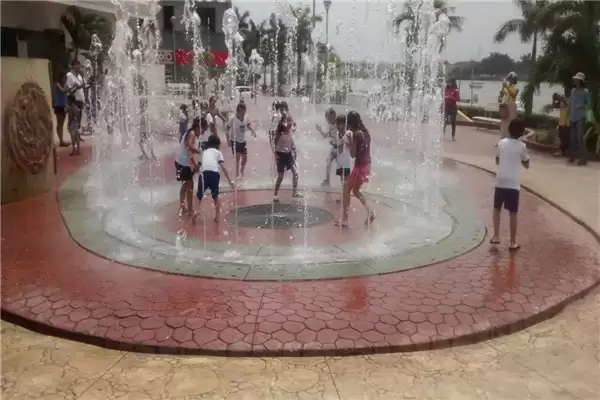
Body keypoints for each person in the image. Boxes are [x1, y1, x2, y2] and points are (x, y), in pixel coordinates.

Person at [490, 119, 530, 251]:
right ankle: (512, 242)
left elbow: (497, 160)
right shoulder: (522, 146)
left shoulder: (501, 143)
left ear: (509, 130)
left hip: (500, 181)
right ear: (522, 132)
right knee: (513, 212)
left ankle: (496, 236)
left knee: (497, 209)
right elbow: (526, 164)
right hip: (513, 183)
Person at [336, 111, 375, 227]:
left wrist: (349, 141)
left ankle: (345, 220)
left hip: (360, 166)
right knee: (356, 191)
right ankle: (371, 212)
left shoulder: (356, 134)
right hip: (367, 165)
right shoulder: (365, 132)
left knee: (346, 189)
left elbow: (353, 154)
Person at [192, 135, 235, 223]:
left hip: (204, 174)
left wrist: (192, 174)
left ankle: (196, 211)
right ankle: (217, 216)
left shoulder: (204, 152)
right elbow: (223, 167)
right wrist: (230, 181)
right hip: (214, 174)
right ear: (217, 145)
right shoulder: (218, 153)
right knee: (215, 196)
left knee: (199, 196)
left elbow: (198, 166)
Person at [272, 102, 301, 202]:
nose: (290, 123)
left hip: (288, 153)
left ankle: (295, 192)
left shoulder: (289, 126)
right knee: (281, 176)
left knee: (295, 172)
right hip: (280, 153)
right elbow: (275, 140)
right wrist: (276, 155)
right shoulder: (280, 128)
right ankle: (275, 194)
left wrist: (294, 148)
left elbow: (290, 138)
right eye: (288, 120)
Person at [174, 118, 202, 217]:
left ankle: (185, 208)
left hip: (179, 161)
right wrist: (198, 155)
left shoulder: (190, 132)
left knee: (186, 185)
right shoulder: (192, 134)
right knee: (188, 186)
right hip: (182, 163)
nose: (201, 132)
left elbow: (189, 150)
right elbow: (190, 147)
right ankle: (186, 209)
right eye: (201, 129)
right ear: (197, 127)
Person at [225, 102, 256, 179]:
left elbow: (248, 125)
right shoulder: (232, 118)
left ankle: (242, 170)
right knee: (238, 157)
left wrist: (252, 130)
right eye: (244, 111)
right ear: (239, 111)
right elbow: (227, 130)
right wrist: (228, 140)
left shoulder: (246, 117)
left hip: (243, 140)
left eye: (245, 111)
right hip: (234, 140)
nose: (245, 113)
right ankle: (237, 175)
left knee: (245, 158)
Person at [567, 72, 590, 166]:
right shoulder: (573, 91)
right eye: (575, 79)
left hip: (580, 116)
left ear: (581, 81)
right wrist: (568, 113)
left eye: (577, 79)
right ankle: (572, 156)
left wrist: (581, 105)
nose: (575, 81)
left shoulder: (585, 92)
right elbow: (570, 102)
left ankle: (583, 159)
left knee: (580, 138)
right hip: (572, 116)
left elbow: (588, 104)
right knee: (572, 138)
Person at [65, 60, 86, 155]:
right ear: (73, 66)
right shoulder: (69, 75)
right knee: (73, 126)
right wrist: (77, 87)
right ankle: (74, 148)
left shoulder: (80, 76)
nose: (79, 67)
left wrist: (85, 86)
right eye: (77, 66)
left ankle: (77, 149)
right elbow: (68, 91)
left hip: (80, 103)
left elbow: (81, 88)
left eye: (79, 66)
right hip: (74, 103)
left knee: (77, 126)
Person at [316, 108, 338, 186]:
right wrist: (320, 130)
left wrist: (336, 142)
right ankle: (327, 180)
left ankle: (345, 182)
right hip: (334, 148)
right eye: (326, 117)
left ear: (333, 116)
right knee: (328, 163)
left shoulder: (338, 125)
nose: (327, 119)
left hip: (339, 149)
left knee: (341, 167)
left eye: (328, 117)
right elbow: (325, 136)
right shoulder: (331, 126)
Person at [334, 114, 352, 203]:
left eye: (340, 124)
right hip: (340, 161)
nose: (338, 126)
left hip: (346, 161)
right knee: (342, 179)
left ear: (345, 124)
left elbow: (352, 146)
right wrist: (334, 145)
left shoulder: (348, 133)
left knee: (346, 180)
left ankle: (345, 197)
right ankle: (343, 195)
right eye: (337, 124)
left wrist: (348, 141)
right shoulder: (337, 134)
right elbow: (339, 146)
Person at [498, 72, 519, 140]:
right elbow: (501, 95)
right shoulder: (507, 86)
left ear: (514, 79)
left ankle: (509, 139)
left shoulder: (516, 87)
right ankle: (502, 139)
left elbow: (513, 95)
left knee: (510, 124)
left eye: (510, 78)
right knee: (503, 124)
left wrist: (506, 86)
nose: (509, 80)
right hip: (505, 106)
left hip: (511, 106)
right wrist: (503, 86)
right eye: (509, 79)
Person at [54, 71, 69, 147]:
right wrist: (69, 88)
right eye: (63, 77)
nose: (64, 79)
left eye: (65, 77)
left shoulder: (64, 85)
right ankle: (61, 140)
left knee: (61, 123)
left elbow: (65, 95)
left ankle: (61, 140)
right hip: (58, 106)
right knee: (59, 123)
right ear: (60, 78)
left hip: (62, 106)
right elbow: (63, 91)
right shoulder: (57, 84)